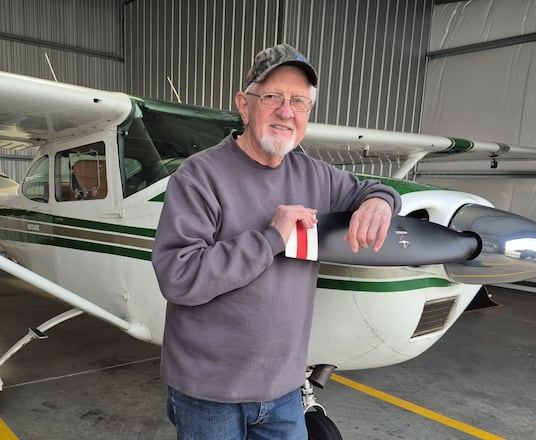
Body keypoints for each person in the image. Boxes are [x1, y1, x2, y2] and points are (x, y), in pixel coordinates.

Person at [151, 43, 402, 439]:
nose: (286, 112)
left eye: (299, 102)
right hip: (209, 394)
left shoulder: (317, 176)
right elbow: (178, 277)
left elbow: (372, 188)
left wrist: (380, 202)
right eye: (273, 97)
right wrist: (271, 237)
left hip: (284, 390)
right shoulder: (199, 177)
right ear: (245, 104)